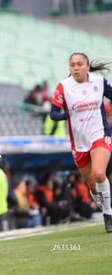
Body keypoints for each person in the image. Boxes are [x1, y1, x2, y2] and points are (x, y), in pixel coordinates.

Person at [50, 52, 112, 233]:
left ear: (87, 66)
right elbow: (53, 113)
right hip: (79, 142)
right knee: (92, 183)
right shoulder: (63, 87)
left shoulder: (99, 82)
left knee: (99, 173)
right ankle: (105, 207)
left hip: (99, 134)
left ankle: (108, 215)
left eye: (79, 64)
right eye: (72, 65)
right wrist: (64, 115)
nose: (75, 68)